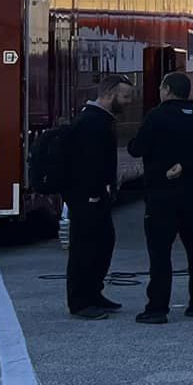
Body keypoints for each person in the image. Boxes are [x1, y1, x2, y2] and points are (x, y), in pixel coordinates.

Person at [127, 71, 193, 324]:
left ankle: (157, 308)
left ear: (167, 90)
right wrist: (189, 165)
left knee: (160, 252)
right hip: (192, 193)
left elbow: (137, 148)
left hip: (161, 194)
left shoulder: (156, 116)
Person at [63, 74, 131, 319]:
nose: (128, 102)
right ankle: (80, 301)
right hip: (87, 196)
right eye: (125, 96)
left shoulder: (99, 119)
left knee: (102, 244)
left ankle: (93, 292)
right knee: (85, 248)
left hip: (96, 194)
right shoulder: (92, 122)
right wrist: (93, 194)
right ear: (110, 94)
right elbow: (87, 162)